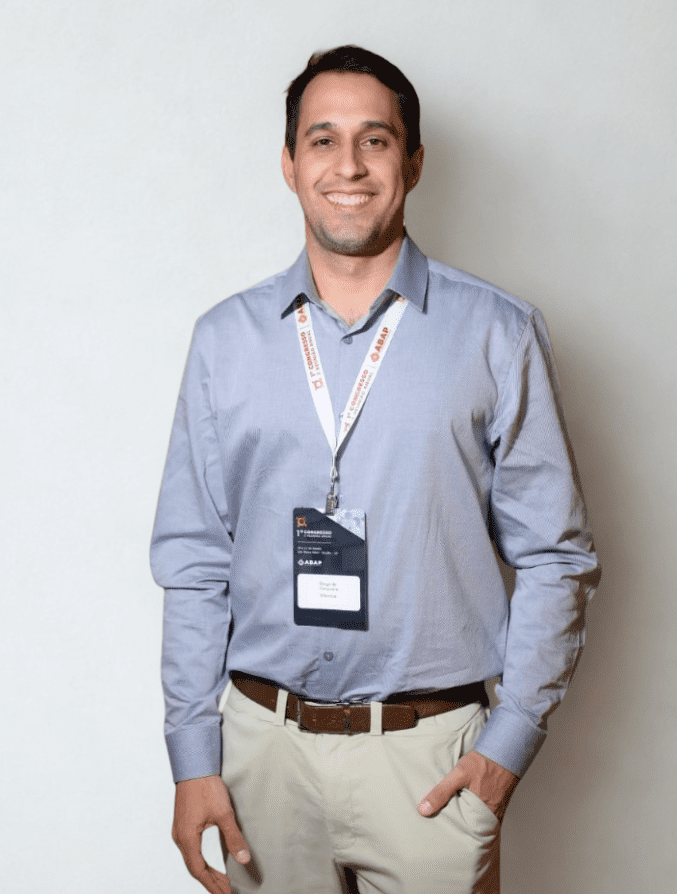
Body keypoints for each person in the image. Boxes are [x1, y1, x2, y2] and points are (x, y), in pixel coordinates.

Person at [150, 45, 600, 894]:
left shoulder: (498, 334)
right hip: (261, 758)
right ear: (290, 164)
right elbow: (195, 559)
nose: (348, 166)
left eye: (375, 140)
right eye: (322, 140)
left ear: (414, 162)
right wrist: (192, 754)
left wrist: (508, 746)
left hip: (430, 761)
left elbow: (556, 555)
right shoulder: (224, 341)